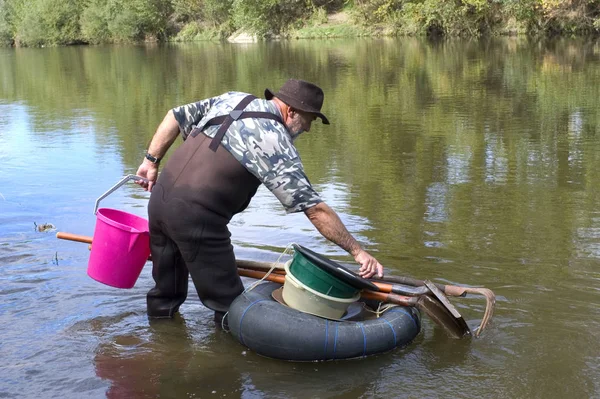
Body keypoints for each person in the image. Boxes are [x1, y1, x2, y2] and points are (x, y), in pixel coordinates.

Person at [135, 79, 384, 321]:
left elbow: (175, 116)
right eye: (309, 120)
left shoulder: (233, 99)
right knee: (231, 308)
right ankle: (225, 360)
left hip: (159, 202)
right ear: (291, 111)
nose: (308, 128)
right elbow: (315, 210)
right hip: (197, 220)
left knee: (165, 295)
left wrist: (150, 161)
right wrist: (357, 251)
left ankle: (161, 345)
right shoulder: (274, 141)